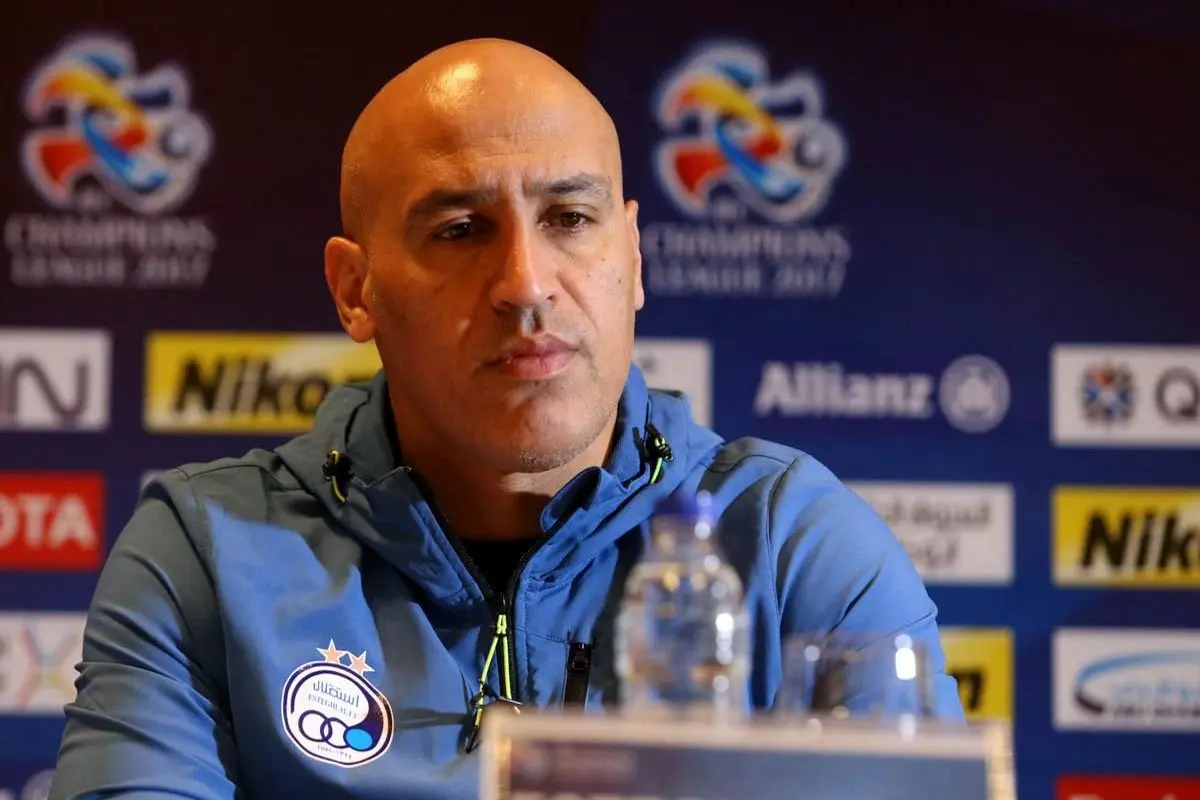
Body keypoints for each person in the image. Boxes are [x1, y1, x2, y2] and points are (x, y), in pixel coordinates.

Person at [49, 37, 963, 800]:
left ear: (633, 258)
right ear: (356, 289)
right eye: (460, 230)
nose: (525, 284)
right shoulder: (206, 552)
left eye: (570, 217)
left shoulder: (793, 542)